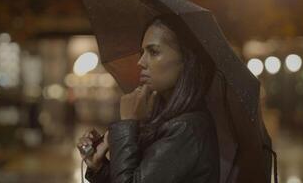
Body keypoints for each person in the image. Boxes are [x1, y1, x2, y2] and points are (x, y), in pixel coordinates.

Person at [77, 17, 220, 183]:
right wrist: (99, 167)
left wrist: (127, 124)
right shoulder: (166, 120)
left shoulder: (186, 128)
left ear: (186, 60)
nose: (141, 62)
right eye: (142, 52)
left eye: (153, 52)